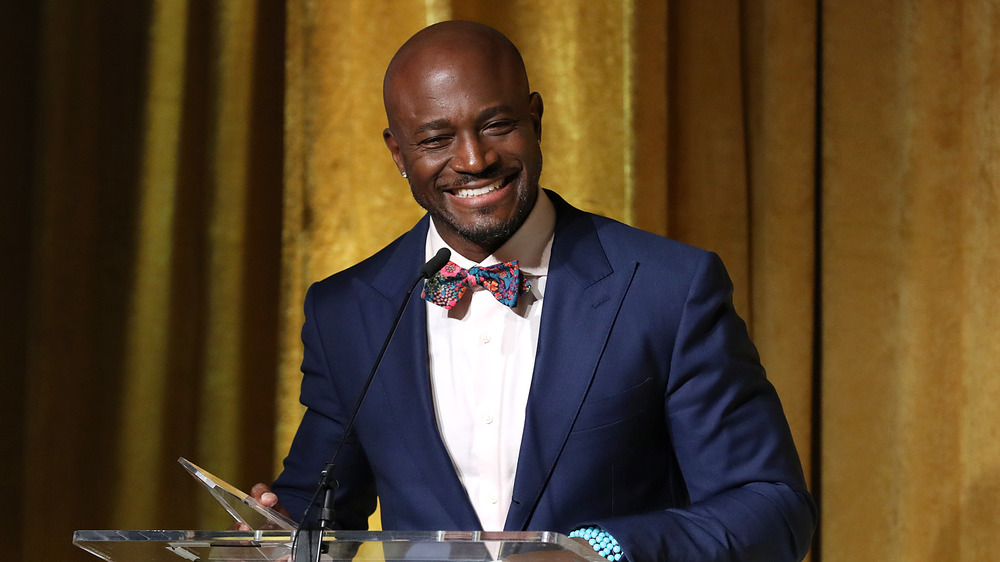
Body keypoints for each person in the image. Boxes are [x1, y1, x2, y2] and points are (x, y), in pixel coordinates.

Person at [252, 20, 817, 561]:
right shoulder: (348, 312)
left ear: (536, 119)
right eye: (436, 139)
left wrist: (602, 552)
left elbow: (772, 509)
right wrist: (272, 539)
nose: (474, 160)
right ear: (399, 154)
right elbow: (319, 510)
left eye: (497, 125)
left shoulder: (666, 290)